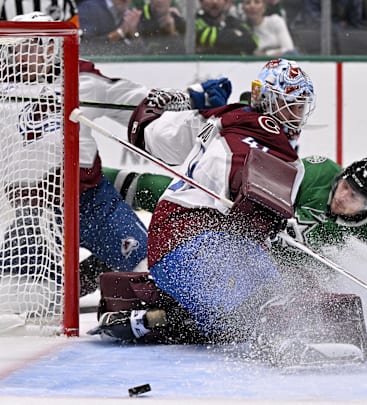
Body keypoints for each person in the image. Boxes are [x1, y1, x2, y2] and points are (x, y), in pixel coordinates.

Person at [3, 12, 234, 297]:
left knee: (152, 274)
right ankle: (71, 282)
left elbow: (135, 103)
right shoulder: (4, 89)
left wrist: (192, 99)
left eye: (31, 45)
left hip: (92, 203)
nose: (19, 53)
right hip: (32, 211)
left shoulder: (82, 79)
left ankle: (98, 275)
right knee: (23, 295)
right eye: (15, 46)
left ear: (53, 46)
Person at [90, 58, 315, 348]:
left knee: (275, 292)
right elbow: (244, 185)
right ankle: (157, 319)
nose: (298, 115)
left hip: (180, 234)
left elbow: (144, 133)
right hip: (189, 239)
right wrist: (271, 220)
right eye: (292, 105)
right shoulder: (268, 140)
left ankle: (153, 318)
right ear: (270, 102)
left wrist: (182, 101)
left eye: (301, 106)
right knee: (244, 319)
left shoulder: (217, 119)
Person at [90, 155, 367, 366]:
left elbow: (344, 273)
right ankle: (98, 182)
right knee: (180, 199)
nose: (343, 197)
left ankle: (152, 319)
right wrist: (273, 221)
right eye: (345, 187)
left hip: (283, 270)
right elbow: (270, 185)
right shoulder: (319, 172)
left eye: (354, 197)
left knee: (234, 320)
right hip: (250, 242)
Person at [77, 0, 145, 55]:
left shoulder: (132, 12)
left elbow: (143, 53)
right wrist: (120, 32)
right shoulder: (89, 7)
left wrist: (134, 32)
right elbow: (85, 46)